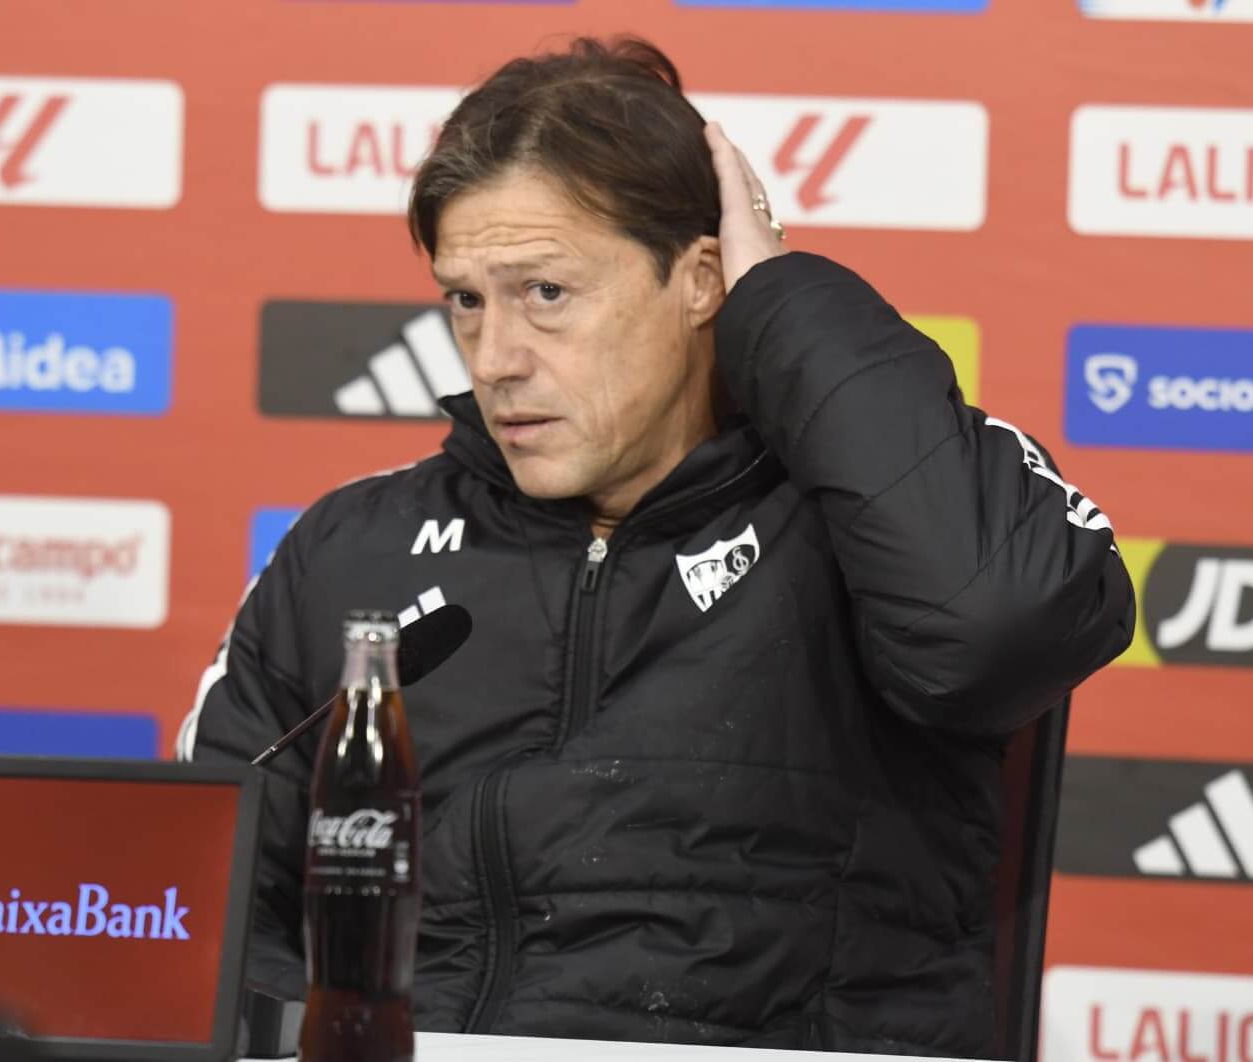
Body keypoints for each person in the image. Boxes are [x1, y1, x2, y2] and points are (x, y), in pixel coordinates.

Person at [180, 37, 1135, 1057]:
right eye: (467, 300)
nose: (496, 360)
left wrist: (783, 301)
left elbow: (994, 626)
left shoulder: (865, 517)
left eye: (546, 293)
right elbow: (212, 903)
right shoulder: (353, 548)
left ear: (701, 278)